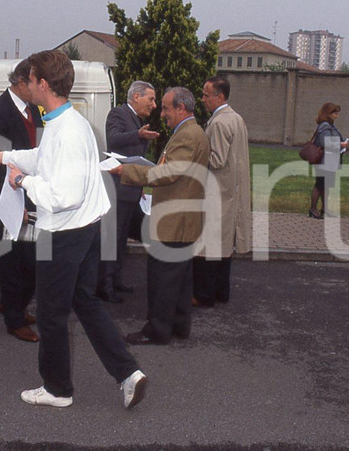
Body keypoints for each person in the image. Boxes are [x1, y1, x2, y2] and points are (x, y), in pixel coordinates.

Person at [0, 50, 147, 410]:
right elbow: (44, 157)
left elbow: (62, 196)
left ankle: (57, 389)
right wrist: (6, 158)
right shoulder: (67, 121)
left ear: (43, 84)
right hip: (85, 229)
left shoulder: (66, 131)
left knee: (52, 313)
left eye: (32, 78)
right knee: (85, 301)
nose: (26, 84)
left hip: (65, 233)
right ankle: (128, 373)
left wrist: (22, 181)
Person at [117, 86, 210, 344]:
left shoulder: (188, 135)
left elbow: (168, 173)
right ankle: (179, 325)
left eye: (167, 108)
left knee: (162, 279)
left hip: (174, 221)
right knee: (179, 279)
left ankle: (157, 331)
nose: (163, 112)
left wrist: (125, 171)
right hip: (182, 218)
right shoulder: (191, 131)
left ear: (181, 108)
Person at [0, 58, 40, 343]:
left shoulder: (33, 110)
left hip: (28, 191)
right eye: (34, 82)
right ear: (19, 82)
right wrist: (17, 204)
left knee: (28, 261)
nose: (39, 88)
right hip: (9, 195)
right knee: (14, 263)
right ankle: (14, 320)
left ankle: (12, 304)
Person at [96, 80, 159, 303]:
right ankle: (103, 285)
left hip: (131, 189)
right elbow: (113, 140)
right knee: (112, 237)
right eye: (150, 99)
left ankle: (116, 280)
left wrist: (141, 185)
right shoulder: (118, 114)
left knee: (121, 238)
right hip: (117, 189)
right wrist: (138, 135)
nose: (154, 104)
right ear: (136, 97)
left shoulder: (137, 120)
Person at [192, 76, 252, 308]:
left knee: (208, 244)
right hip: (230, 189)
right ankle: (220, 291)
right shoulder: (235, 118)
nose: (203, 99)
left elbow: (215, 160)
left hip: (216, 190)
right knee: (223, 244)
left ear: (220, 96)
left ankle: (204, 295)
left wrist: (194, 156)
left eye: (206, 95)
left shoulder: (218, 123)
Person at [307, 102, 349, 219]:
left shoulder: (330, 125)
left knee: (326, 185)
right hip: (323, 160)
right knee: (320, 184)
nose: (337, 116)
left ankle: (324, 208)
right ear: (328, 113)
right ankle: (313, 208)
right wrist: (340, 144)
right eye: (335, 113)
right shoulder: (325, 125)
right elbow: (324, 141)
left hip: (330, 160)